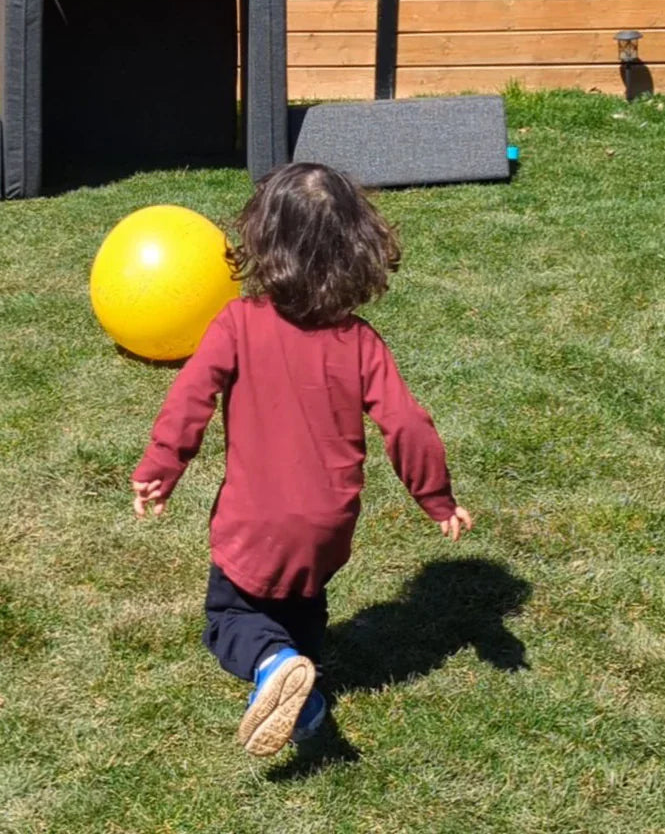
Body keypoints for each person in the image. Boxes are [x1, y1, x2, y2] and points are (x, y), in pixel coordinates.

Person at [130, 162, 473, 757]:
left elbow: (190, 399)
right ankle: (303, 700)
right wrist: (435, 497)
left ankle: (272, 664)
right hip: (327, 528)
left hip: (253, 523)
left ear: (262, 241)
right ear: (356, 248)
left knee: (231, 622)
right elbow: (407, 423)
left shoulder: (236, 323)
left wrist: (159, 470)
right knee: (302, 612)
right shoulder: (360, 341)